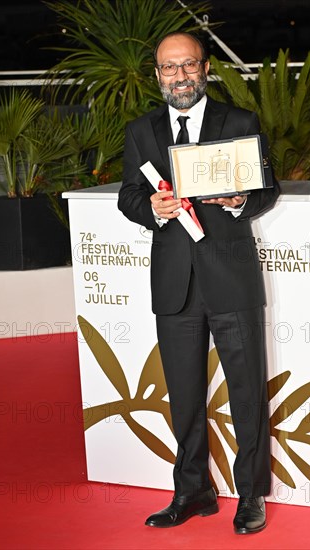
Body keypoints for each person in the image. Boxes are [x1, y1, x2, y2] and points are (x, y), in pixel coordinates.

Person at [118, 31, 280, 534]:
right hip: (174, 284)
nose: (180, 76)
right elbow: (128, 197)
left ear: (205, 68)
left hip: (231, 278)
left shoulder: (239, 122)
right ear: (158, 75)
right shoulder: (141, 131)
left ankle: (251, 494)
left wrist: (238, 201)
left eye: (188, 66)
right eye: (170, 68)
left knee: (247, 394)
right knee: (185, 396)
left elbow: (267, 190)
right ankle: (192, 490)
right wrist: (152, 209)